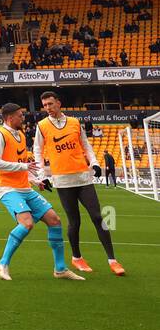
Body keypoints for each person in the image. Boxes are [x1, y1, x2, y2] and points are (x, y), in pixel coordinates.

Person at [33, 91, 125, 276]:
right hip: (62, 180)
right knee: (74, 221)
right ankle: (76, 258)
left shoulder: (75, 122)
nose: (48, 108)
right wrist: (42, 175)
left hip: (83, 177)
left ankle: (112, 260)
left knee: (98, 217)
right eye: (45, 105)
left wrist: (95, 162)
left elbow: (86, 145)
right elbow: (37, 151)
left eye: (51, 104)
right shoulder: (42, 126)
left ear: (59, 103)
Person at [0, 103, 78, 281]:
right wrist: (23, 166)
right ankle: (2, 263)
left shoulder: (20, 135)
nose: (23, 118)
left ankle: (60, 269)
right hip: (7, 188)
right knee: (27, 223)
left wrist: (36, 180)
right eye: (20, 115)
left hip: (24, 187)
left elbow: (22, 165)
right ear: (9, 117)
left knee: (54, 220)